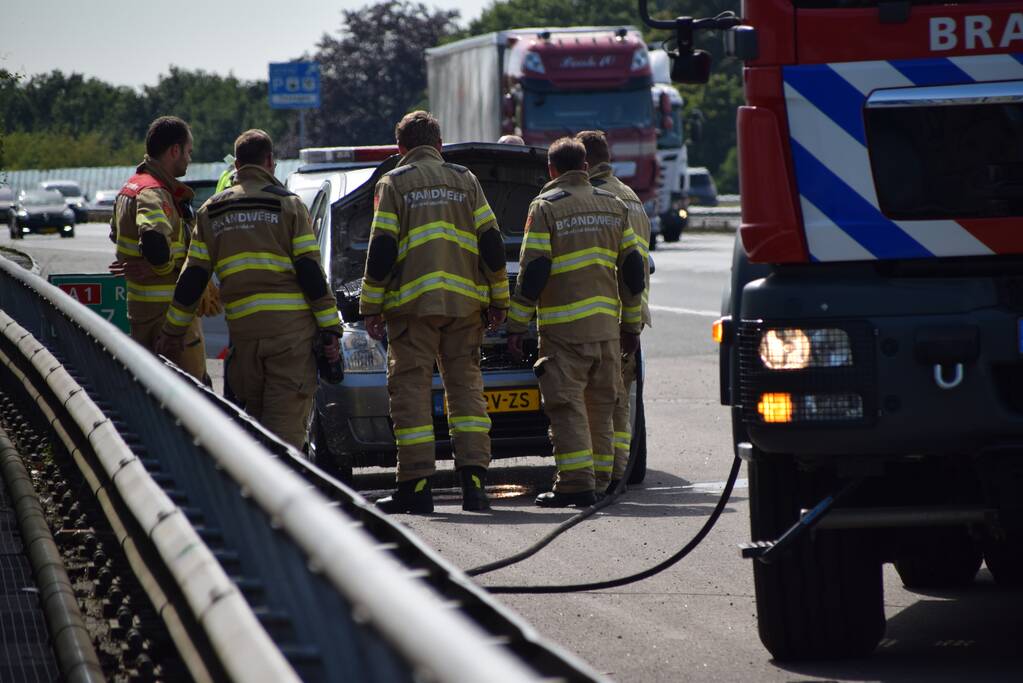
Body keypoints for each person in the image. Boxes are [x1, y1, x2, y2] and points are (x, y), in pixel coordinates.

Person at [155, 129, 341, 449]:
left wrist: (171, 333)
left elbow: (193, 279)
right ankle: (284, 498)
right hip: (290, 341)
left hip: (245, 344)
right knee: (285, 443)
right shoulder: (289, 206)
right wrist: (330, 331)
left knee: (258, 437)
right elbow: (311, 274)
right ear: (270, 161)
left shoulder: (211, 211)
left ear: (237, 165)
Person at [361, 111, 508, 514]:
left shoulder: (394, 182)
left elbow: (383, 249)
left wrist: (370, 305)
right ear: (439, 145)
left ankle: (417, 487)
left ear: (401, 149)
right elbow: (492, 241)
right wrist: (499, 299)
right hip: (464, 308)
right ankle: (475, 486)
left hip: (412, 309)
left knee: (411, 394)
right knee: (466, 393)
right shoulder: (466, 180)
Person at [506, 137, 646, 507]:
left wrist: (517, 325)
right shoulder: (614, 206)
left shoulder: (546, 207)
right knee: (601, 407)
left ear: (552, 170)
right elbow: (633, 272)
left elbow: (534, 270)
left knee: (567, 407)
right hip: (606, 330)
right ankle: (601, 482)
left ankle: (575, 485)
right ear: (585, 167)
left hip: (564, 332)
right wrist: (630, 326)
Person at [576, 130, 653, 495]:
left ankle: (604, 475)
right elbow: (642, 265)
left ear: (585, 163)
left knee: (602, 402)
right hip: (631, 316)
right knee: (621, 401)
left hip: (610, 315)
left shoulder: (599, 199)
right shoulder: (632, 197)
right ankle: (619, 471)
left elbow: (624, 268)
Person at [109, 115, 207, 381]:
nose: (189, 158)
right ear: (174, 150)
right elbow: (155, 241)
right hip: (170, 318)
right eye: (187, 152)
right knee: (193, 396)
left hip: (141, 315)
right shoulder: (155, 193)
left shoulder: (129, 189)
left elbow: (115, 234)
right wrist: (163, 266)